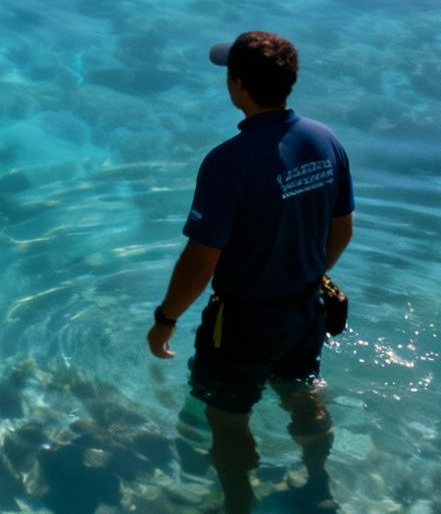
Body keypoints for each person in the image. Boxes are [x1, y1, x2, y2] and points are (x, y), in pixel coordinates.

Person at [148, 31, 354, 514]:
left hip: (244, 323)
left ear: (238, 85)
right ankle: (318, 481)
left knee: (227, 418)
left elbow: (201, 259)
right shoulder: (325, 141)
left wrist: (166, 318)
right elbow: (342, 229)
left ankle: (239, 506)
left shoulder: (227, 162)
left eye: (228, 73)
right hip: (307, 308)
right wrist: (304, 273)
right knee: (302, 396)